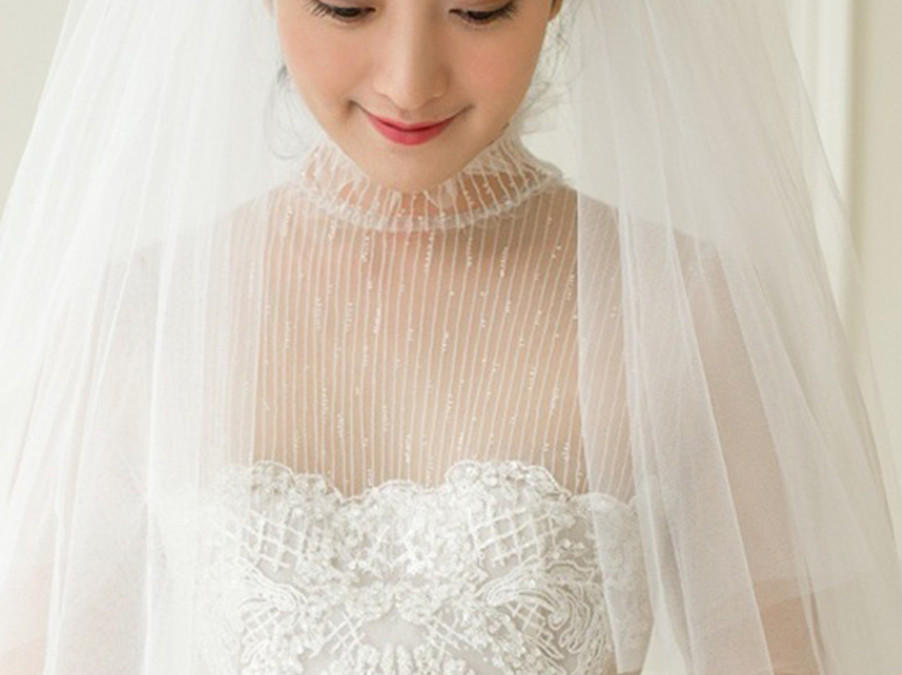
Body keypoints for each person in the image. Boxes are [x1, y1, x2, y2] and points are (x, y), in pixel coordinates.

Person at [2, 0, 902, 673]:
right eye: (348, 5)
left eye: (477, 7)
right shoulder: (136, 323)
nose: (410, 80)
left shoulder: (687, 310)